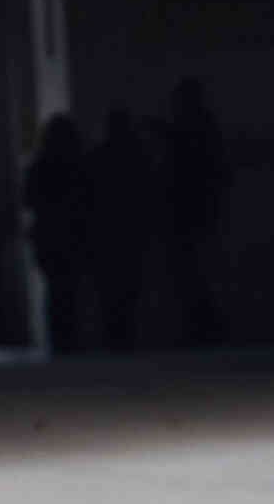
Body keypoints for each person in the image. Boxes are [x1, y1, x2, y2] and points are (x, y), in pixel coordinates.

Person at [157, 78, 228, 347]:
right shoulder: (198, 130)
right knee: (194, 278)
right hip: (195, 214)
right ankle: (203, 331)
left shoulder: (195, 131)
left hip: (193, 214)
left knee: (195, 277)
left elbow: (198, 167)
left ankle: (205, 331)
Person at [24, 114, 94, 354]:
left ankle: (60, 340)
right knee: (70, 290)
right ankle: (70, 339)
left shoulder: (39, 166)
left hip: (49, 237)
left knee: (56, 292)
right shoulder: (77, 165)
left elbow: (28, 201)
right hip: (71, 235)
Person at [86, 110, 154, 351]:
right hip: (125, 234)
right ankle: (122, 339)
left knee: (113, 293)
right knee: (124, 292)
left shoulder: (99, 157)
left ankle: (116, 339)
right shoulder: (136, 157)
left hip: (110, 235)